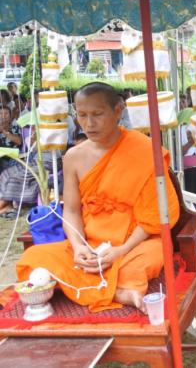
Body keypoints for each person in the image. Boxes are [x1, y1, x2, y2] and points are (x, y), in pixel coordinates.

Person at [16, 82, 180, 312]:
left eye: (97, 114)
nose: (89, 123)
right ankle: (119, 292)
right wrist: (78, 247)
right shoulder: (73, 157)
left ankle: (99, 287)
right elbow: (71, 210)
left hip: (135, 243)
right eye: (82, 115)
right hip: (91, 244)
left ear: (118, 111)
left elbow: (156, 215)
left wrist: (121, 251)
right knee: (34, 257)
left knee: (150, 255)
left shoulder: (144, 150)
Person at [0, 105, 22, 172]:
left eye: (6, 113)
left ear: (10, 116)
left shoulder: (15, 126)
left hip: (14, 157)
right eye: (1, 113)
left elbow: (19, 141)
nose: (3, 116)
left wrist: (4, 131)